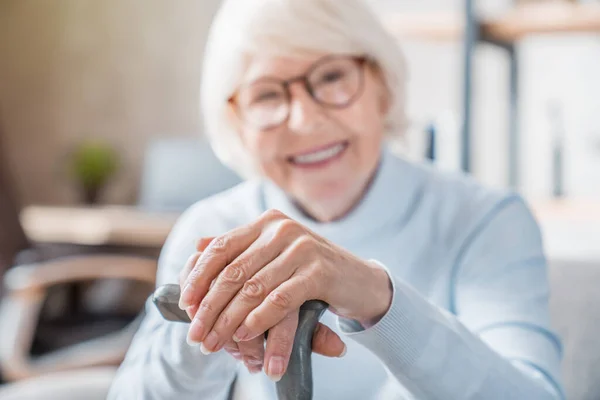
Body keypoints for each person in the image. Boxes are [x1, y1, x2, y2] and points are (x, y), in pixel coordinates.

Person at [108, 0, 564, 398]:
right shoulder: (211, 226)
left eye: (330, 77)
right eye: (267, 94)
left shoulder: (485, 220)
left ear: (382, 85)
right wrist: (209, 330)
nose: (305, 121)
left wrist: (376, 298)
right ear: (236, 121)